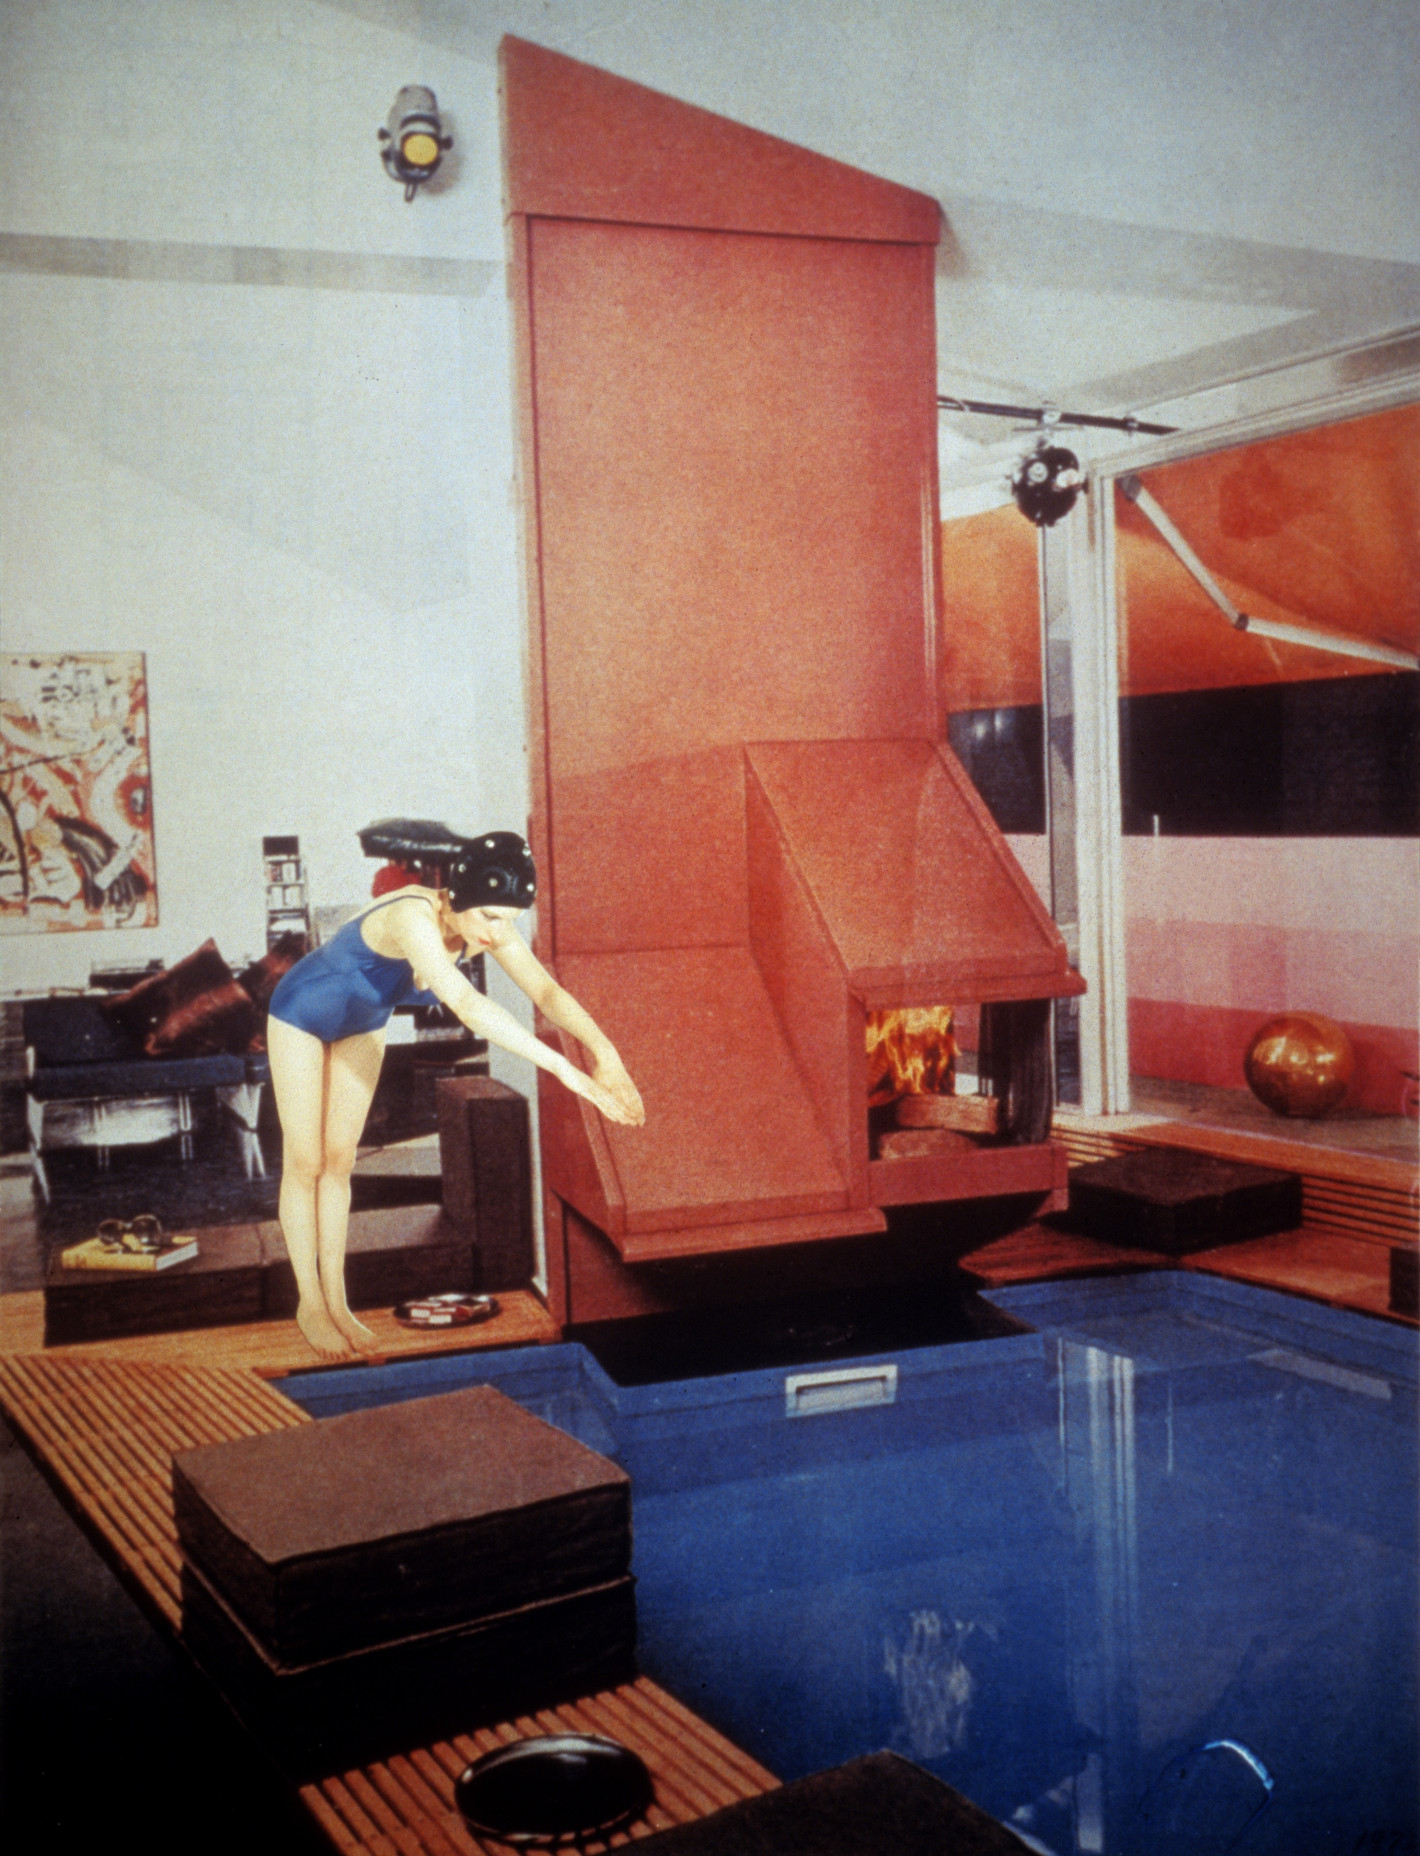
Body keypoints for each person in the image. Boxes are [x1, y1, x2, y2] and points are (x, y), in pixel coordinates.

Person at [266, 827, 643, 1359]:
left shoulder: (484, 921)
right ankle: (310, 1302)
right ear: (461, 897)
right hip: (300, 1012)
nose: (497, 932)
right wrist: (572, 1074)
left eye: (508, 920)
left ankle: (337, 1301)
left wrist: (607, 1054)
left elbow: (547, 991)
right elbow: (469, 1007)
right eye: (490, 917)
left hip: (362, 1021)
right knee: (305, 1161)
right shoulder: (411, 916)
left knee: (339, 1160)